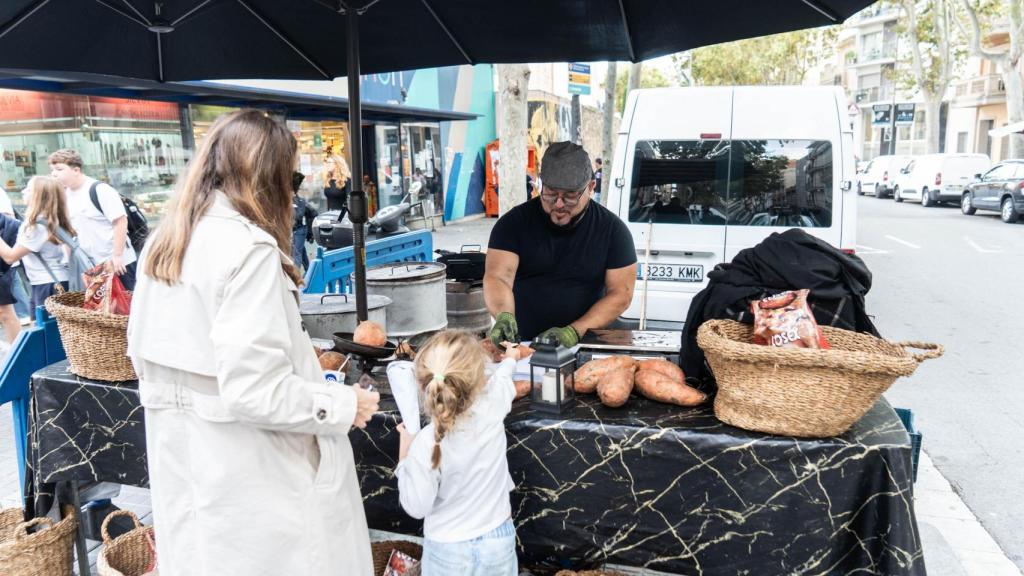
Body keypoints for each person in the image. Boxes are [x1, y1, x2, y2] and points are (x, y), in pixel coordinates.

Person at [126, 110, 378, 575]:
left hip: (195, 487)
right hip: (262, 492)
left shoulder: (165, 244)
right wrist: (344, 405)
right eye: (292, 178)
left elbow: (143, 359)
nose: (294, 193)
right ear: (268, 179)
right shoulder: (247, 251)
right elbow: (255, 389)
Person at [484, 142, 637, 347]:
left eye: (570, 196)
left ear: (591, 187)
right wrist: (503, 315)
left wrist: (574, 331)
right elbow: (498, 278)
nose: (558, 204)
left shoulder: (613, 231)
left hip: (585, 343)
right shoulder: (512, 224)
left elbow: (621, 294)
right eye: (550, 193)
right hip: (522, 344)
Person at [395, 331, 521, 576]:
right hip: (498, 542)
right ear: (480, 379)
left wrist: (404, 457)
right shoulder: (493, 406)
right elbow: (503, 379)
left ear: (421, 385)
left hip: (447, 550)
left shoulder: (425, 442)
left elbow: (416, 507)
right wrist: (510, 359)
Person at [48, 149, 138, 290]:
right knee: (101, 304)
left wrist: (118, 255)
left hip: (117, 264)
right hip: (92, 267)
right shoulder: (65, 195)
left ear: (76, 170)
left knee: (127, 302)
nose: (54, 174)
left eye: (59, 169)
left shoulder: (99, 189)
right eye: (52, 170)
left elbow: (120, 221)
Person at [0, 176, 74, 310]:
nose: (23, 191)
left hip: (48, 284)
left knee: (46, 323)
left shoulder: (37, 227)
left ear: (39, 196)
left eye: (28, 190)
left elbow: (10, 257)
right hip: (54, 281)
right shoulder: (52, 220)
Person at [291, 171, 317, 273]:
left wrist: (311, 233)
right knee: (301, 252)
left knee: (296, 254)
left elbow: (313, 213)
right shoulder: (287, 201)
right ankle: (310, 272)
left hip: (299, 230)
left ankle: (295, 277)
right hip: (295, 231)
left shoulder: (300, 202)